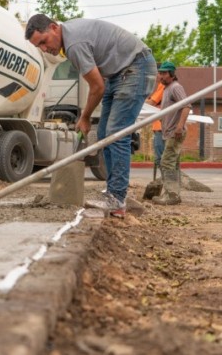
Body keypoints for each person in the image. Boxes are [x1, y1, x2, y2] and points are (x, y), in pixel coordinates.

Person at [25, 14, 157, 218]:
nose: (44, 49)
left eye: (43, 41)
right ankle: (114, 193)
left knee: (116, 134)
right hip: (118, 73)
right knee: (105, 134)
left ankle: (116, 199)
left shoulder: (74, 44)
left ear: (53, 28)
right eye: (39, 46)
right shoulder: (70, 37)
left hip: (135, 67)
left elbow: (97, 87)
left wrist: (84, 117)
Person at [153, 62, 190, 205]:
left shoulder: (175, 87)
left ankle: (171, 195)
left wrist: (179, 127)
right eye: (160, 73)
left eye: (164, 73)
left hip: (175, 132)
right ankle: (173, 193)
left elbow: (186, 106)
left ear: (172, 75)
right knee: (172, 164)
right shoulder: (167, 89)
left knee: (166, 163)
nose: (160, 76)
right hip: (169, 132)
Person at [146, 80, 166, 168]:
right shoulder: (161, 86)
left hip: (161, 127)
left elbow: (152, 103)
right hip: (160, 126)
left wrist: (139, 101)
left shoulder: (163, 85)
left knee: (160, 159)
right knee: (163, 158)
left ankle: (167, 176)